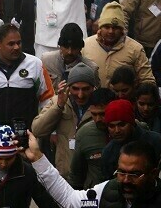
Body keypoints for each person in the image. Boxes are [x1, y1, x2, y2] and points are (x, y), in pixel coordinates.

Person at [0, 24, 55, 143]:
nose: (16, 47)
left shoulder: (35, 65)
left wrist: (47, 132)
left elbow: (48, 101)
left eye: (19, 43)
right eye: (11, 44)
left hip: (26, 139)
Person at [25, 132, 161, 207]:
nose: (126, 180)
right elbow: (69, 199)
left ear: (153, 173)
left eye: (134, 174)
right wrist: (38, 158)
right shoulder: (107, 191)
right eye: (121, 172)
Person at [31, 63, 98, 179]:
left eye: (86, 89)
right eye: (75, 89)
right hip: (64, 175)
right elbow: (37, 130)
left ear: (93, 88)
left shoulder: (100, 105)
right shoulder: (58, 101)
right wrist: (59, 106)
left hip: (91, 176)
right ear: (68, 87)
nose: (80, 95)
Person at [81, 2, 155, 88]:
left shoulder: (136, 49)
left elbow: (147, 81)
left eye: (115, 28)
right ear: (100, 28)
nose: (111, 31)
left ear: (122, 30)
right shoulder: (85, 46)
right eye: (107, 27)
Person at [0, 124, 56, 208]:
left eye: (9, 159)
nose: (4, 163)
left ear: (15, 155)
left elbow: (44, 201)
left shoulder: (27, 172)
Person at [99, 99, 161, 178]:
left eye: (122, 125)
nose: (117, 130)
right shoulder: (108, 152)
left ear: (131, 123)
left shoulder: (156, 141)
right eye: (112, 126)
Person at [69, 88, 116, 188]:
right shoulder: (84, 134)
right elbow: (76, 173)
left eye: (103, 114)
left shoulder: (130, 128)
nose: (98, 119)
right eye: (94, 114)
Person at [41, 23, 100, 91]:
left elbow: (95, 97)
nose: (70, 52)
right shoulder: (46, 61)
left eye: (74, 48)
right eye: (66, 47)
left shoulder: (91, 68)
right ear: (60, 46)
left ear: (81, 48)